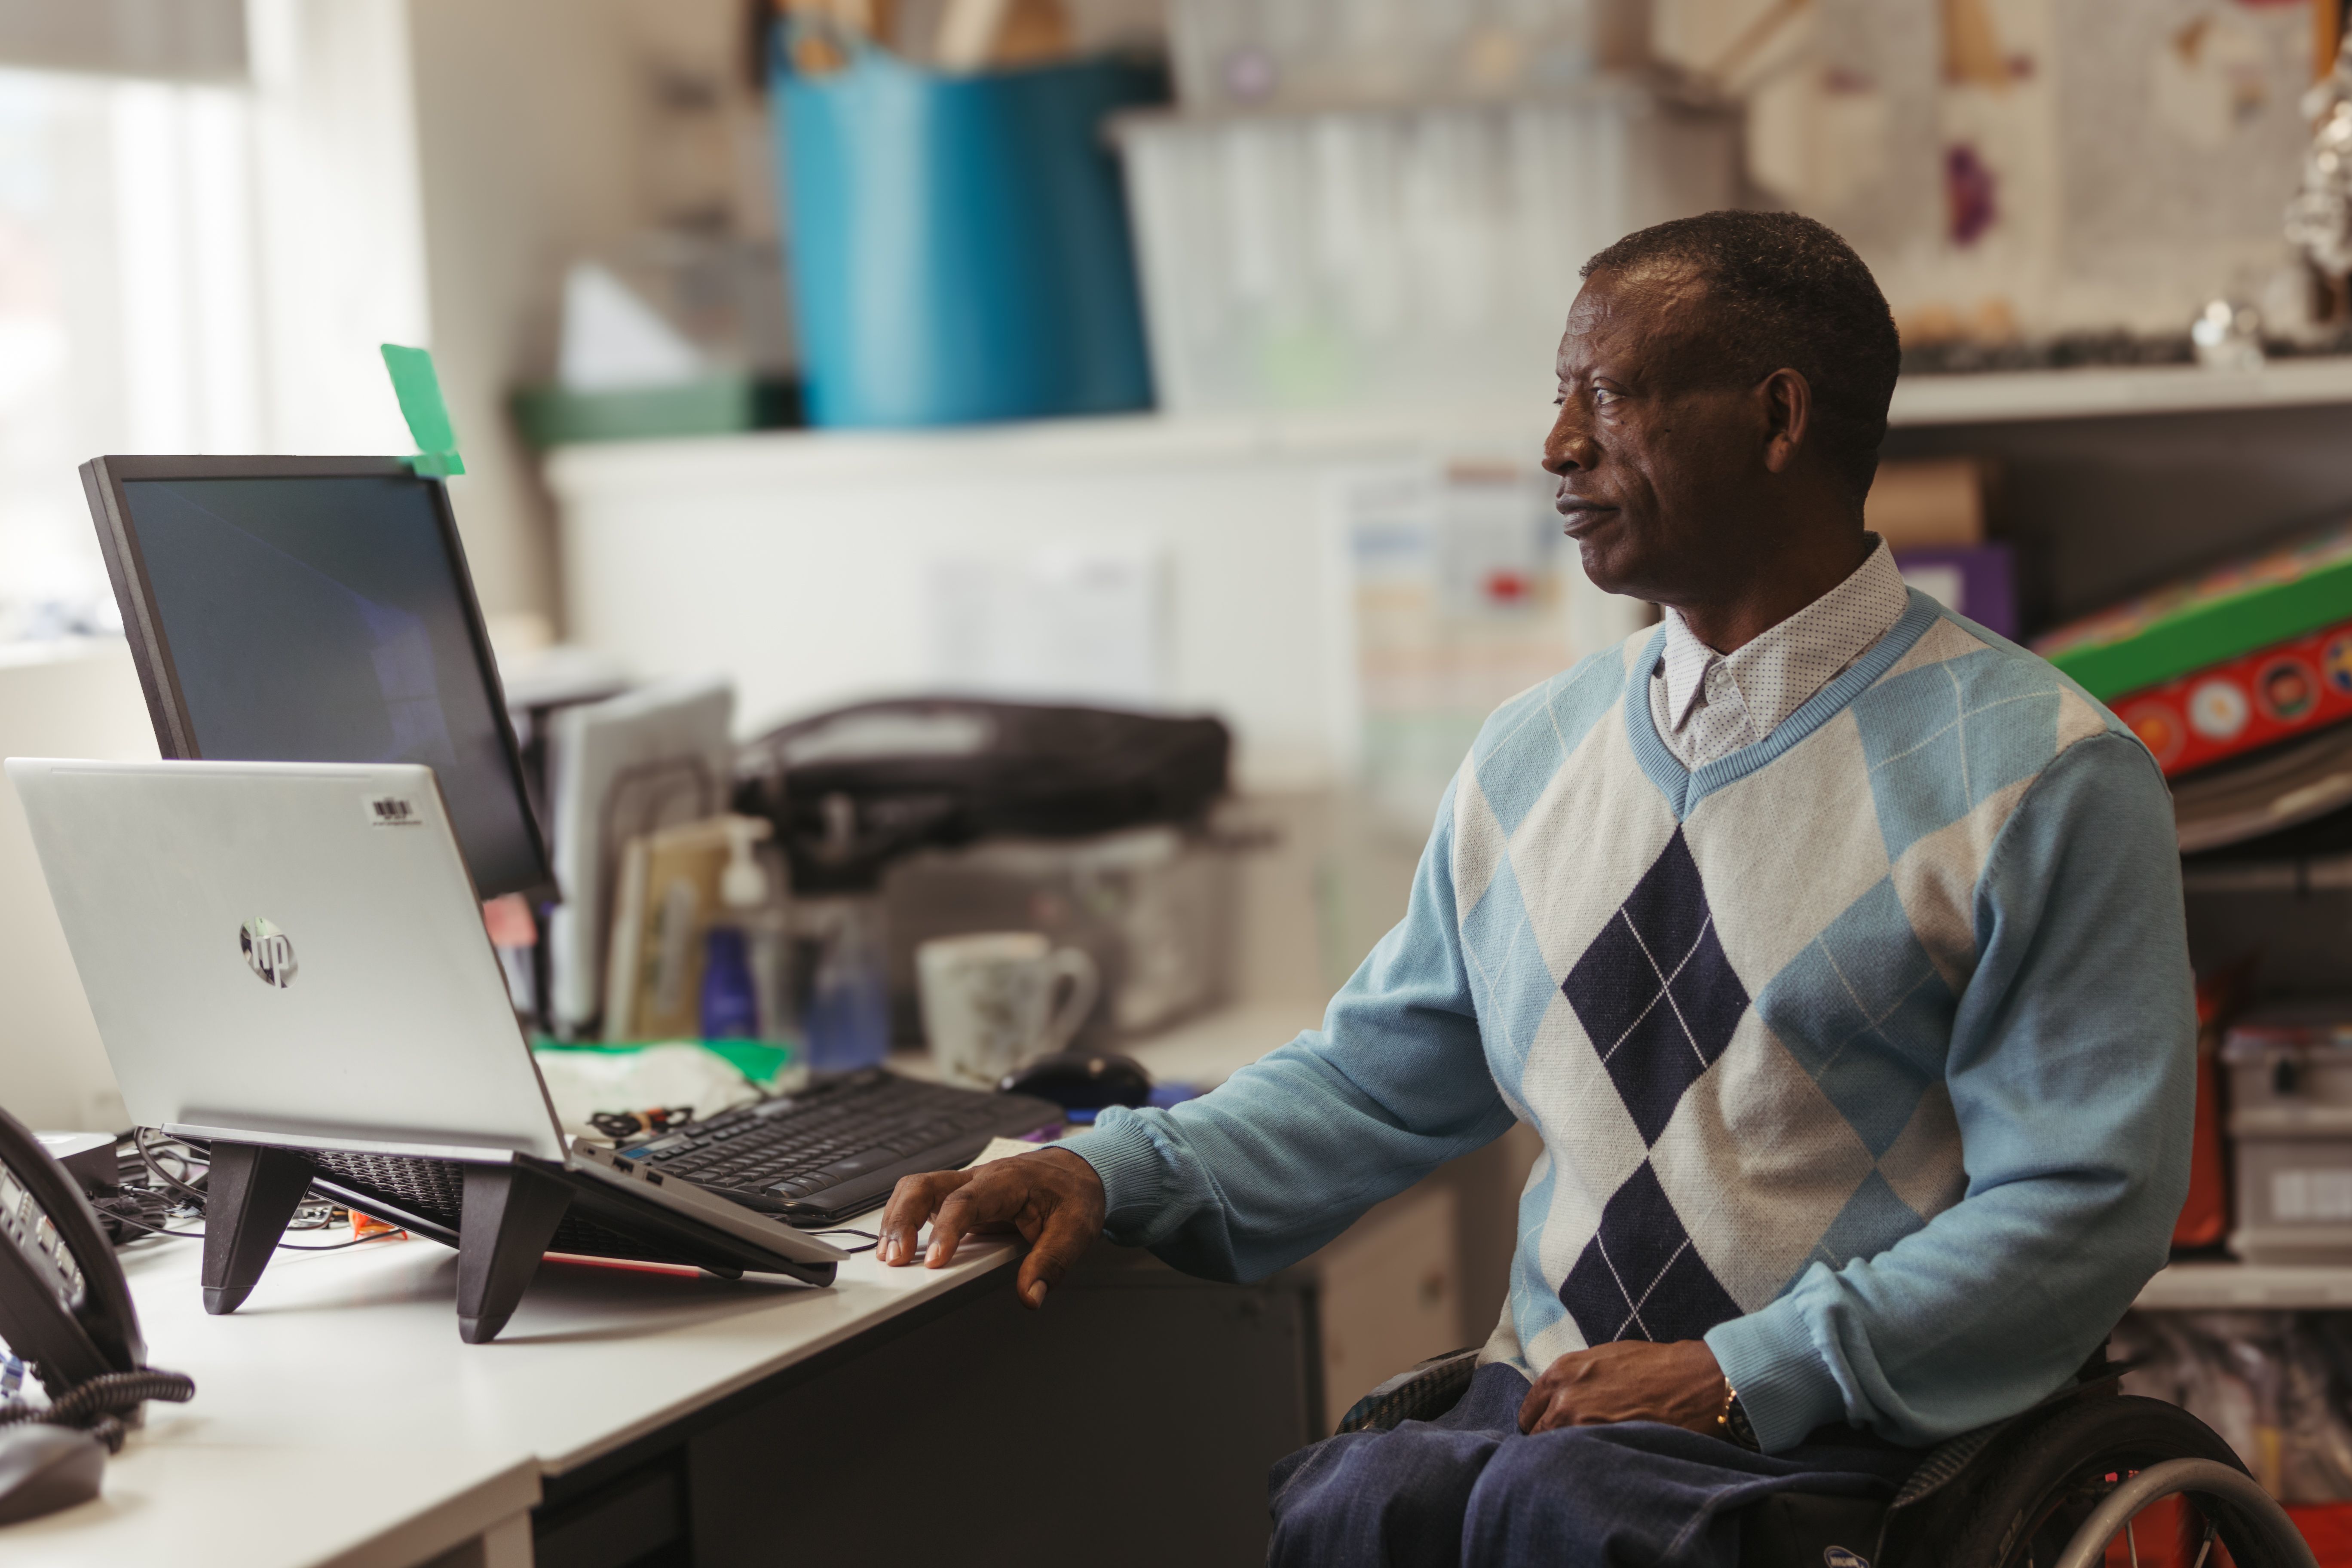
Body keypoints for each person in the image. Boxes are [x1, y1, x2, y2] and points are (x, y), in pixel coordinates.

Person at [876, 210, 2195, 1568]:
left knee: (1562, 1515)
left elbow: (2078, 1204)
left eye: (1608, 395)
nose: (1559, 444)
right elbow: (1370, 1084)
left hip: (1865, 1437)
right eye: (1559, 398)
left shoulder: (2046, 775)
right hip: (1566, 1415)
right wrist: (1104, 1165)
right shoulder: (1534, 754)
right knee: (1359, 1505)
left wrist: (1743, 1371)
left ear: (1778, 417)